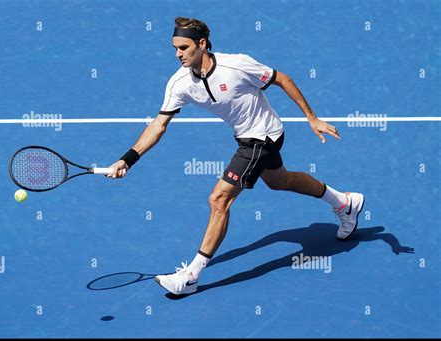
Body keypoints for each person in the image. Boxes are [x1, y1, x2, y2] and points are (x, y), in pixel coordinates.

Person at [107, 17, 365, 296]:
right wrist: (128, 159)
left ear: (202, 44)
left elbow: (282, 79)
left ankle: (192, 275)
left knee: (219, 199)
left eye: (183, 47)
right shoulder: (179, 83)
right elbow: (158, 125)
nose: (177, 54)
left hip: (263, 136)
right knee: (281, 181)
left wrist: (311, 118)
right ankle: (345, 202)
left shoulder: (236, 65)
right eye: (175, 48)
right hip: (247, 137)